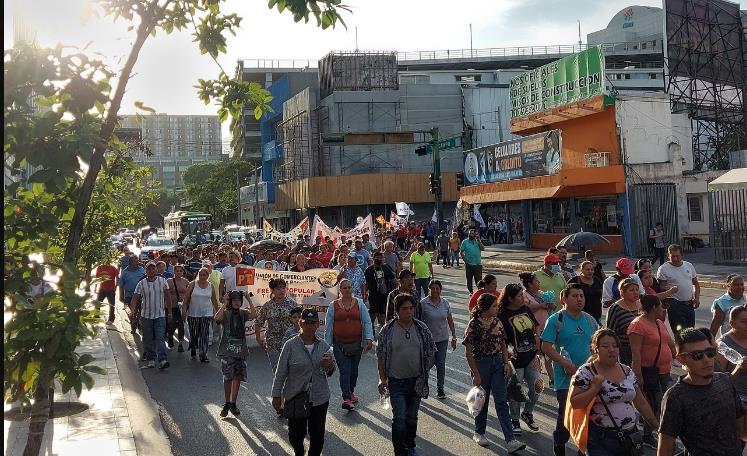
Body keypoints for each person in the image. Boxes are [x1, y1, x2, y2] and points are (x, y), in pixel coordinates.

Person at [568, 329, 659, 456]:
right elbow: (575, 403)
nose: (612, 349)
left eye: (615, 346)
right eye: (605, 346)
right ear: (596, 349)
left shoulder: (626, 370)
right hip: (602, 439)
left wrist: (656, 426)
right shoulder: (587, 372)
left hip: (630, 436)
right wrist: (594, 388)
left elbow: (641, 402)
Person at [658, 327, 747, 455]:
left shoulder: (724, 381)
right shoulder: (675, 397)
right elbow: (665, 449)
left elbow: (743, 433)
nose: (706, 359)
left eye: (710, 352)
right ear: (681, 359)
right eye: (697, 355)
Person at [540, 284, 599, 456]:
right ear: (563, 299)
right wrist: (566, 364)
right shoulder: (556, 320)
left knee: (589, 417)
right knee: (565, 417)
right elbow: (546, 346)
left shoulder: (589, 319)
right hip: (566, 379)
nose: (579, 299)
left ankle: (583, 450)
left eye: (581, 296)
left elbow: (598, 343)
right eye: (575, 296)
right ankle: (559, 446)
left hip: (589, 377)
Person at [463, 293, 527, 452]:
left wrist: (506, 363)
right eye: (494, 306)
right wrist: (475, 373)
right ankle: (479, 432)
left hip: (498, 364)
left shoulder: (498, 322)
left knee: (501, 402)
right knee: (481, 401)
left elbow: (503, 344)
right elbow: (468, 352)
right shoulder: (474, 324)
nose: (497, 308)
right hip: (481, 364)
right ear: (484, 308)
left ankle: (510, 440)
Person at [377, 293, 436, 456]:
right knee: (400, 419)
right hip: (396, 382)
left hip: (417, 381)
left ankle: (410, 447)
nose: (409, 311)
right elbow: (380, 356)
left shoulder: (421, 328)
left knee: (411, 418)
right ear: (397, 311)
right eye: (404, 309)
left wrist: (424, 370)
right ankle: (399, 451)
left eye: (411, 308)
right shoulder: (387, 330)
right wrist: (382, 380)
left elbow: (431, 351)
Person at [272, 309, 336, 456]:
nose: (309, 326)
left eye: (313, 322)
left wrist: (329, 366)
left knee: (317, 436)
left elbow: (331, 371)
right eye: (306, 322)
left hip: (319, 398)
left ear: (318, 324)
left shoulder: (324, 346)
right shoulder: (290, 345)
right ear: (300, 323)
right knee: (295, 435)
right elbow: (280, 372)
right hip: (296, 397)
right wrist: (276, 395)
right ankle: (299, 452)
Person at [628, 295, 674, 448]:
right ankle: (648, 435)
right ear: (654, 307)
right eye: (661, 306)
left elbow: (669, 342)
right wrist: (638, 375)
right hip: (649, 372)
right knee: (654, 405)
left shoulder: (659, 322)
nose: (663, 309)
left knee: (660, 404)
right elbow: (636, 352)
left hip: (664, 371)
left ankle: (652, 432)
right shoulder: (637, 325)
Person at [498, 283, 542, 435]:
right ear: (510, 298)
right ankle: (514, 419)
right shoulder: (501, 314)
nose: (523, 298)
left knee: (537, 386)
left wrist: (537, 336)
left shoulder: (525, 309)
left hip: (531, 356)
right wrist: (506, 357)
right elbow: (501, 339)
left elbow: (536, 325)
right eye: (519, 296)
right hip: (513, 360)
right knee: (516, 393)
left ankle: (527, 413)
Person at [324, 278, 374, 410]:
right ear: (340, 290)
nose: (347, 290)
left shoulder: (360, 304)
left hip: (356, 344)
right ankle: (346, 398)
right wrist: (327, 347)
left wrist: (369, 338)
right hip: (339, 344)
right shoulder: (332, 305)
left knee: (354, 372)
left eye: (349, 287)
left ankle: (351, 392)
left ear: (352, 289)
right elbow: (328, 327)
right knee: (345, 371)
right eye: (344, 287)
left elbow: (367, 322)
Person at [215, 290, 255, 417]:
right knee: (228, 377)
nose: (237, 303)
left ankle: (233, 403)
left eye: (239, 301)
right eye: (234, 301)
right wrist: (224, 303)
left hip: (241, 351)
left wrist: (249, 299)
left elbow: (254, 315)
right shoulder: (226, 313)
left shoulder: (243, 313)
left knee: (238, 377)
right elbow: (216, 318)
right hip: (227, 350)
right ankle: (227, 402)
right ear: (231, 302)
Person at [129, 261, 172, 370]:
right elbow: (135, 297)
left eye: (153, 269)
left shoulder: (163, 281)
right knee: (148, 338)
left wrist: (170, 311)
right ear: (145, 271)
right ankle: (151, 359)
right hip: (146, 315)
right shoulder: (141, 283)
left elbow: (167, 296)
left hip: (160, 315)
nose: (151, 271)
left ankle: (162, 360)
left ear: (156, 270)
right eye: (149, 269)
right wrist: (132, 311)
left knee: (160, 337)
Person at [419, 280, 457, 400]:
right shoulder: (423, 303)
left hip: (442, 339)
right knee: (427, 364)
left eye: (437, 288)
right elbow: (418, 322)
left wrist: (454, 336)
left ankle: (440, 388)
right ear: (429, 289)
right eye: (433, 288)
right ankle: (424, 386)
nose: (435, 291)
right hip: (428, 340)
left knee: (440, 364)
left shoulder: (445, 303)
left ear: (440, 290)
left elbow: (450, 320)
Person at [255, 278, 299, 375]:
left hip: (290, 342)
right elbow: (258, 322)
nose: (282, 291)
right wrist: (258, 339)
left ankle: (290, 390)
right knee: (278, 371)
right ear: (272, 290)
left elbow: (300, 322)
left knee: (291, 371)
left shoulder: (292, 304)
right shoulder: (267, 306)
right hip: (273, 342)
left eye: (284, 288)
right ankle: (279, 390)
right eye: (279, 288)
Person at [656, 244, 700, 336]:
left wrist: (696, 298)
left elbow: (695, 283)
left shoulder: (689, 265)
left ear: (682, 255)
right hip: (675, 304)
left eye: (677, 256)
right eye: (673, 256)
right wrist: (670, 289)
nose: (675, 259)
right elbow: (660, 287)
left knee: (691, 332)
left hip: (689, 304)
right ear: (668, 255)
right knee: (680, 333)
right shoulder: (663, 269)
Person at [183, 267, 220, 362]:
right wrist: (184, 311)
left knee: (204, 334)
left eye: (204, 275)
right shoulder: (192, 284)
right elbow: (186, 299)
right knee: (194, 334)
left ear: (208, 276)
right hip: (193, 313)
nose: (202, 277)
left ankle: (203, 354)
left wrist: (218, 312)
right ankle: (193, 349)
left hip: (206, 313)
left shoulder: (210, 286)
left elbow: (214, 300)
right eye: (200, 275)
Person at [605, 279, 641, 365]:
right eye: (631, 290)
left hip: (642, 348)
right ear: (623, 292)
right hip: (625, 351)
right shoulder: (615, 308)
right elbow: (610, 332)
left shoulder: (641, 305)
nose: (635, 292)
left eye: (637, 289)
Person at [718, 306, 747, 406]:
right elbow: (719, 382)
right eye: (744, 322)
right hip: (737, 399)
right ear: (732, 323)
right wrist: (739, 368)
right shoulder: (723, 345)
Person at [364, 251, 396, 333]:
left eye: (381, 258)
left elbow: (393, 279)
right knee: (373, 313)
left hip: (384, 294)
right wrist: (364, 294)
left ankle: (383, 331)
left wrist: (399, 288)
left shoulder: (385, 267)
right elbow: (366, 284)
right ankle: (370, 330)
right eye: (377, 258)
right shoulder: (369, 270)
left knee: (383, 313)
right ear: (374, 258)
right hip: (373, 294)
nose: (379, 260)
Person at [710, 274, 745, 338]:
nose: (740, 287)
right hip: (730, 340)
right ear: (728, 286)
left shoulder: (746, 299)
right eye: (736, 285)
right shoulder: (721, 302)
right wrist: (710, 342)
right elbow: (715, 326)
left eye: (742, 284)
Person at [166, 264, 189, 352]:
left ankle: (180, 343)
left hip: (182, 307)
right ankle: (170, 336)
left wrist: (187, 305)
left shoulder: (186, 282)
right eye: (177, 271)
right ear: (174, 272)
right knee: (172, 325)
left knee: (181, 325)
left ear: (183, 272)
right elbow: (165, 294)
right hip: (171, 307)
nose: (178, 272)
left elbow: (189, 294)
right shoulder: (169, 281)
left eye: (180, 271)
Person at [119, 255, 145, 335]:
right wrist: (121, 296)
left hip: (141, 295)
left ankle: (139, 322)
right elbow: (121, 286)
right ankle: (133, 325)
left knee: (142, 311)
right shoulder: (125, 272)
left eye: (137, 261)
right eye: (135, 261)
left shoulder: (142, 269)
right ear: (130, 263)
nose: (137, 263)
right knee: (130, 311)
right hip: (129, 295)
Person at [460, 228, 484, 294]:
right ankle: (471, 292)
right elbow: (461, 252)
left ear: (475, 235)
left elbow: (482, 248)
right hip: (469, 265)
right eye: (469, 233)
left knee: (479, 281)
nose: (470, 235)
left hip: (477, 264)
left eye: (472, 233)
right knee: (469, 280)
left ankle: (480, 293)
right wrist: (465, 260)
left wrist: (479, 241)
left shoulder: (477, 242)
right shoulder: (465, 242)